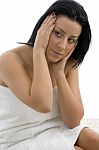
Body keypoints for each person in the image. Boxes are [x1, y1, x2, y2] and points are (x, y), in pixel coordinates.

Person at [0, 0, 99, 149]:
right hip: (18, 137)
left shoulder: (68, 64)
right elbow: (43, 104)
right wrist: (38, 51)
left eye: (71, 40)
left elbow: (73, 121)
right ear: (44, 28)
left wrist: (59, 73)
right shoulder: (9, 60)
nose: (62, 46)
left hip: (56, 129)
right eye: (58, 34)